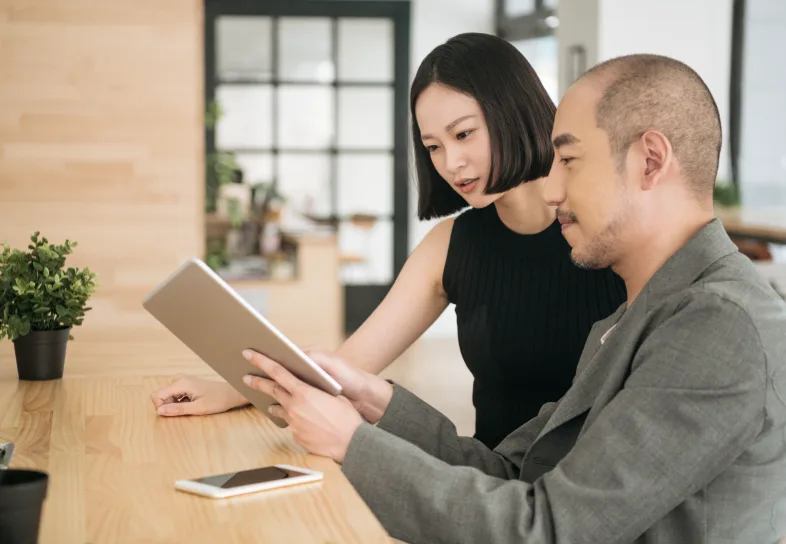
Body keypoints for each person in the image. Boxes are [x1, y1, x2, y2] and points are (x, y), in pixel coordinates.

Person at [239, 53, 786, 543]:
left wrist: (354, 445)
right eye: (433, 146)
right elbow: (513, 471)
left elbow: (550, 528)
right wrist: (376, 405)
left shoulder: (717, 324)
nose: (550, 189)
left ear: (649, 161)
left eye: (568, 162)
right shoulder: (636, 314)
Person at [150, 33, 625, 449]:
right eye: (434, 146)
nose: (451, 162)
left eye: (463, 134)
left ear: (512, 113)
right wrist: (232, 390)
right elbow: (351, 363)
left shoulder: (605, 233)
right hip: (492, 487)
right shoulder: (451, 243)